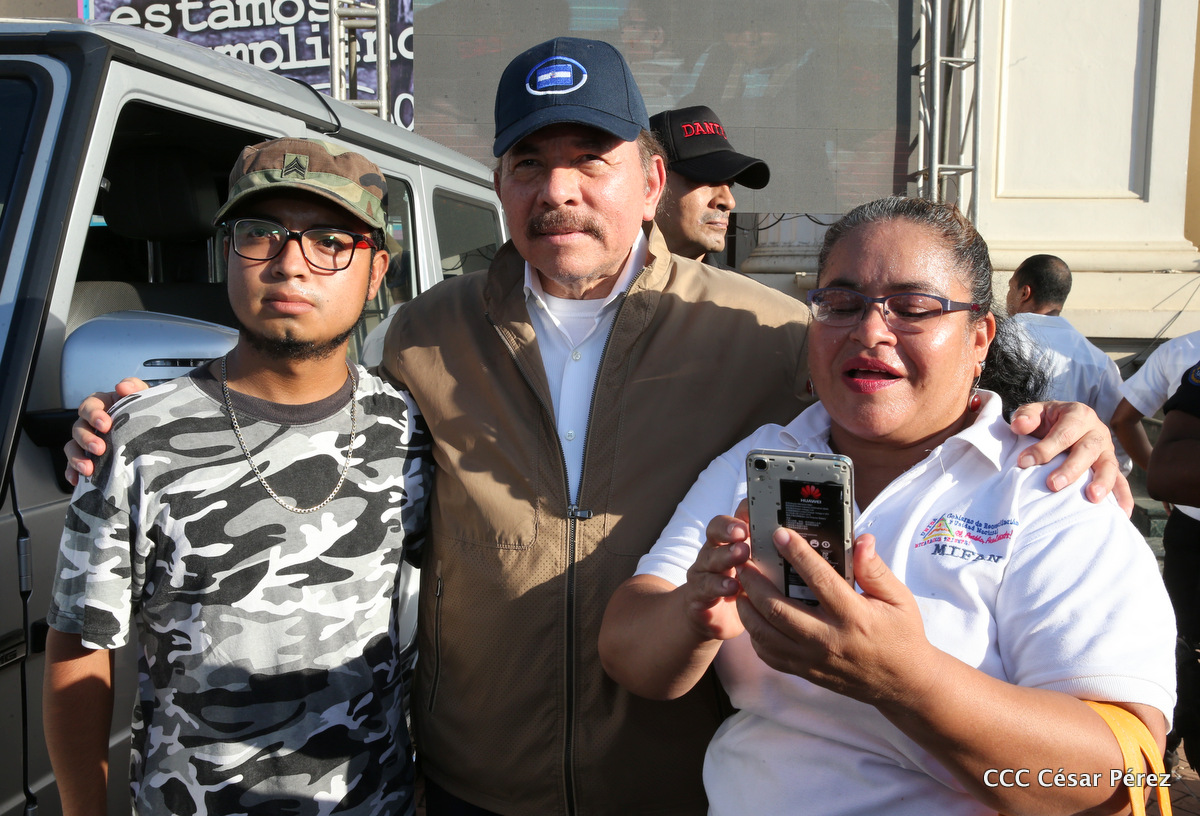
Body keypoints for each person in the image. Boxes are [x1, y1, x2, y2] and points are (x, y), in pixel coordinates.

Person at [67, 40, 1130, 816]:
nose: (559, 191)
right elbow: (301, 399)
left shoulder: (764, 332)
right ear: (497, 184)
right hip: (472, 781)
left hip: (672, 784)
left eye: (592, 160)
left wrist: (1062, 421)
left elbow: (901, 394)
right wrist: (139, 419)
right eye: (529, 164)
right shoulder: (426, 334)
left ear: (651, 179)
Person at [599, 196, 1175, 816]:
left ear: (980, 337)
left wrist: (907, 681)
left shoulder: (1048, 486)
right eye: (841, 304)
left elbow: (1119, 782)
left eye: (914, 307)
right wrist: (694, 609)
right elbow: (631, 648)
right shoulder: (764, 460)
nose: (870, 331)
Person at [45, 138, 431, 816]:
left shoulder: (412, 432)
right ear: (227, 252)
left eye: (330, 241)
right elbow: (80, 642)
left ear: (376, 272)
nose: (290, 263)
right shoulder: (136, 438)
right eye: (260, 234)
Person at [1007, 254, 1130, 472]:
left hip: (991, 471)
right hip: (1064, 479)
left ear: (1024, 293)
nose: (1007, 296)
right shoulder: (1099, 362)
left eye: (1010, 288)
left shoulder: (988, 340)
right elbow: (1116, 439)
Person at [649, 104, 768, 264]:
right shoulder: (615, 278)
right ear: (652, 185)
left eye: (730, 184)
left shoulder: (737, 282)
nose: (729, 202)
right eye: (705, 179)